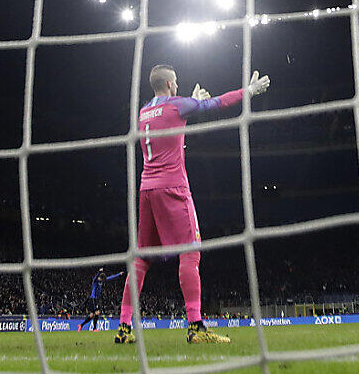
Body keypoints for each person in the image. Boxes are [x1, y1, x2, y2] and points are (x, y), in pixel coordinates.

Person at [116, 64, 270, 345]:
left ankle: (124, 327)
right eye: (176, 83)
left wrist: (193, 101)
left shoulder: (144, 111)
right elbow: (217, 103)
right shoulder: (178, 105)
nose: (177, 86)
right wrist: (247, 92)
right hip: (173, 188)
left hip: (146, 189)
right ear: (170, 83)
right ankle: (196, 327)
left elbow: (172, 114)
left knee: (141, 260)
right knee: (191, 254)